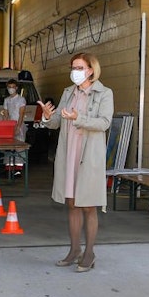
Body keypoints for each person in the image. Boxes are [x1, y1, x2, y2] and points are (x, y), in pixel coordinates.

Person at [39, 52, 113, 273]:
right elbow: (56, 123)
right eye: (73, 67)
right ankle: (74, 250)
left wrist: (77, 118)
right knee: (71, 203)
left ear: (91, 70)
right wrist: (46, 116)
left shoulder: (104, 93)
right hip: (69, 151)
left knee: (88, 205)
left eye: (80, 67)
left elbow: (104, 123)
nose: (76, 71)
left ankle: (89, 253)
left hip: (88, 155)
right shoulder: (68, 92)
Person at [1, 78, 27, 175]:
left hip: (19, 125)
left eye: (13, 87)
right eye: (9, 87)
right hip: (9, 125)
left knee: (19, 146)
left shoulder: (21, 99)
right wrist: (5, 126)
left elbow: (21, 114)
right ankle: (9, 167)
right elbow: (6, 114)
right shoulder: (7, 100)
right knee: (9, 146)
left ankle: (18, 169)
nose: (11, 89)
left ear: (16, 88)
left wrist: (18, 127)